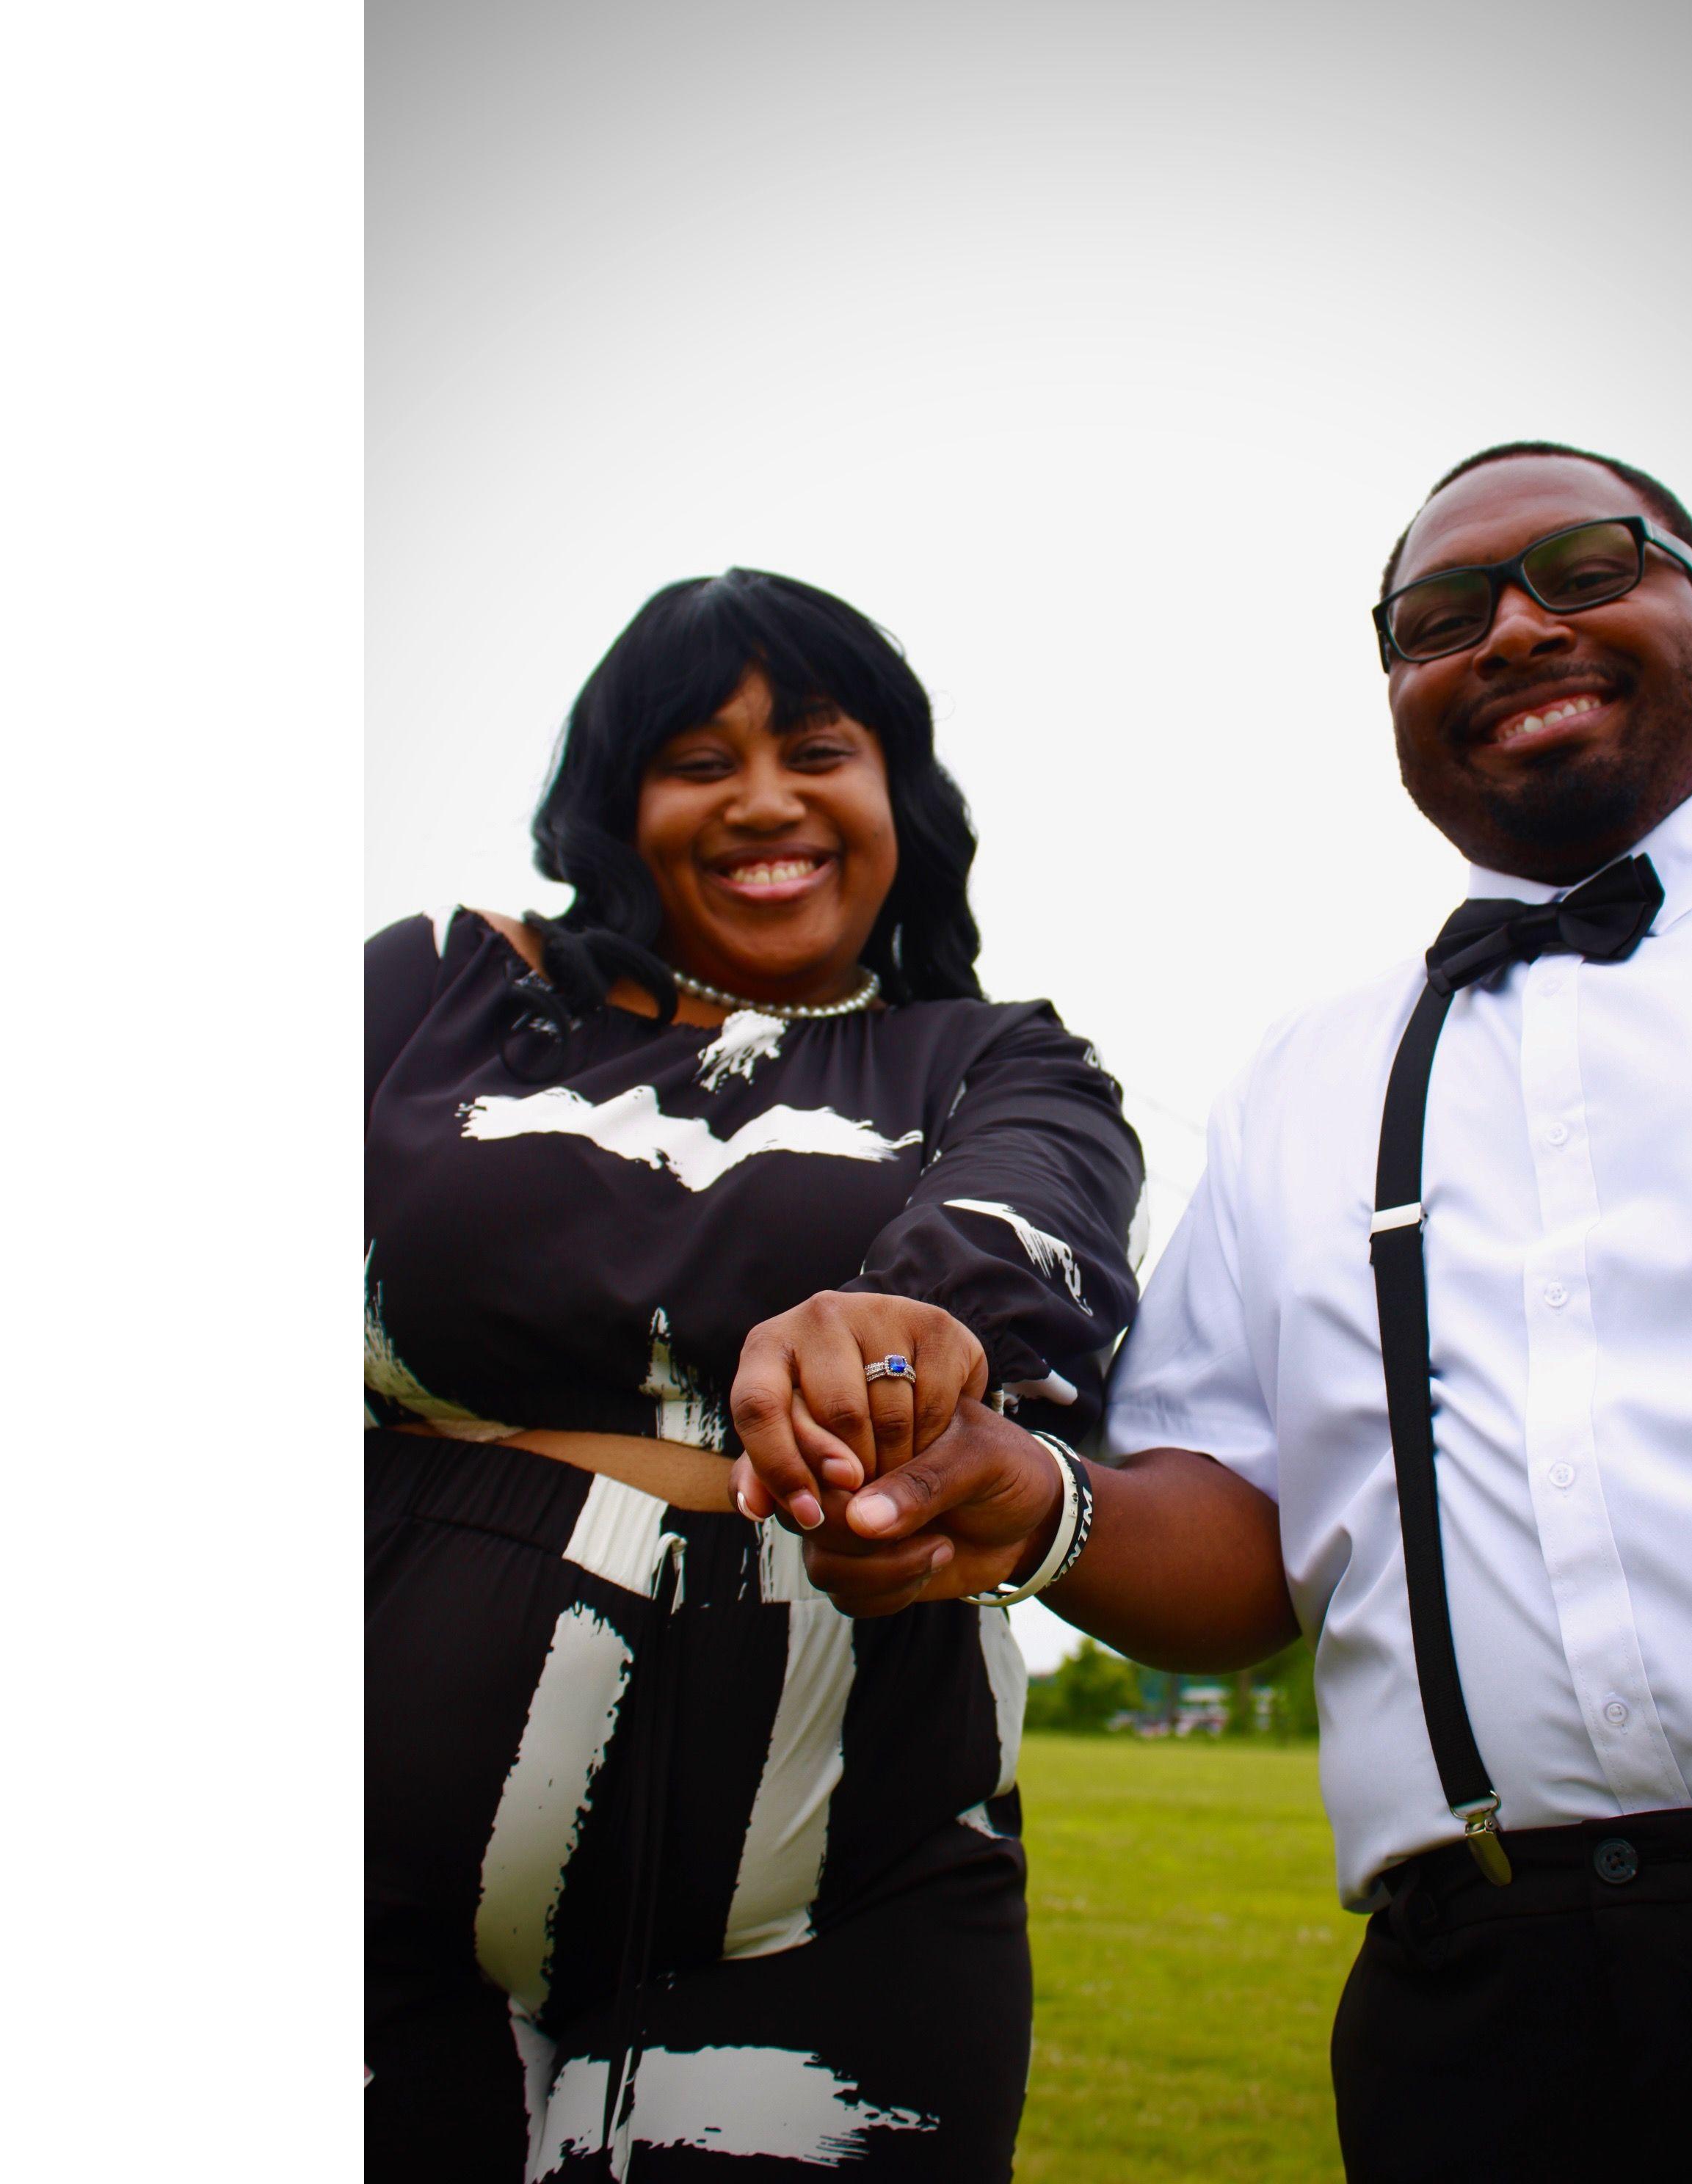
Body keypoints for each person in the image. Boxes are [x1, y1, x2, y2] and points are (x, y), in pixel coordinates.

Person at [744, 444, 1692, 2181]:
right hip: (1479, 2005)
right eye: (1442, 617)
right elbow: (1241, 1538)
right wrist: (1028, 1499)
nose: (1516, 629)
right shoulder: (1306, 1082)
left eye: (1584, 566)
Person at [365, 568, 1144, 2181]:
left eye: (815, 748)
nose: (764, 800)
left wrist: (899, 1329)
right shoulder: (440, 986)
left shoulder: (995, 1056)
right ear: (616, 804)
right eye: (698, 761)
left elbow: (1034, 1218)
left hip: (842, 1922)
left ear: (895, 797)